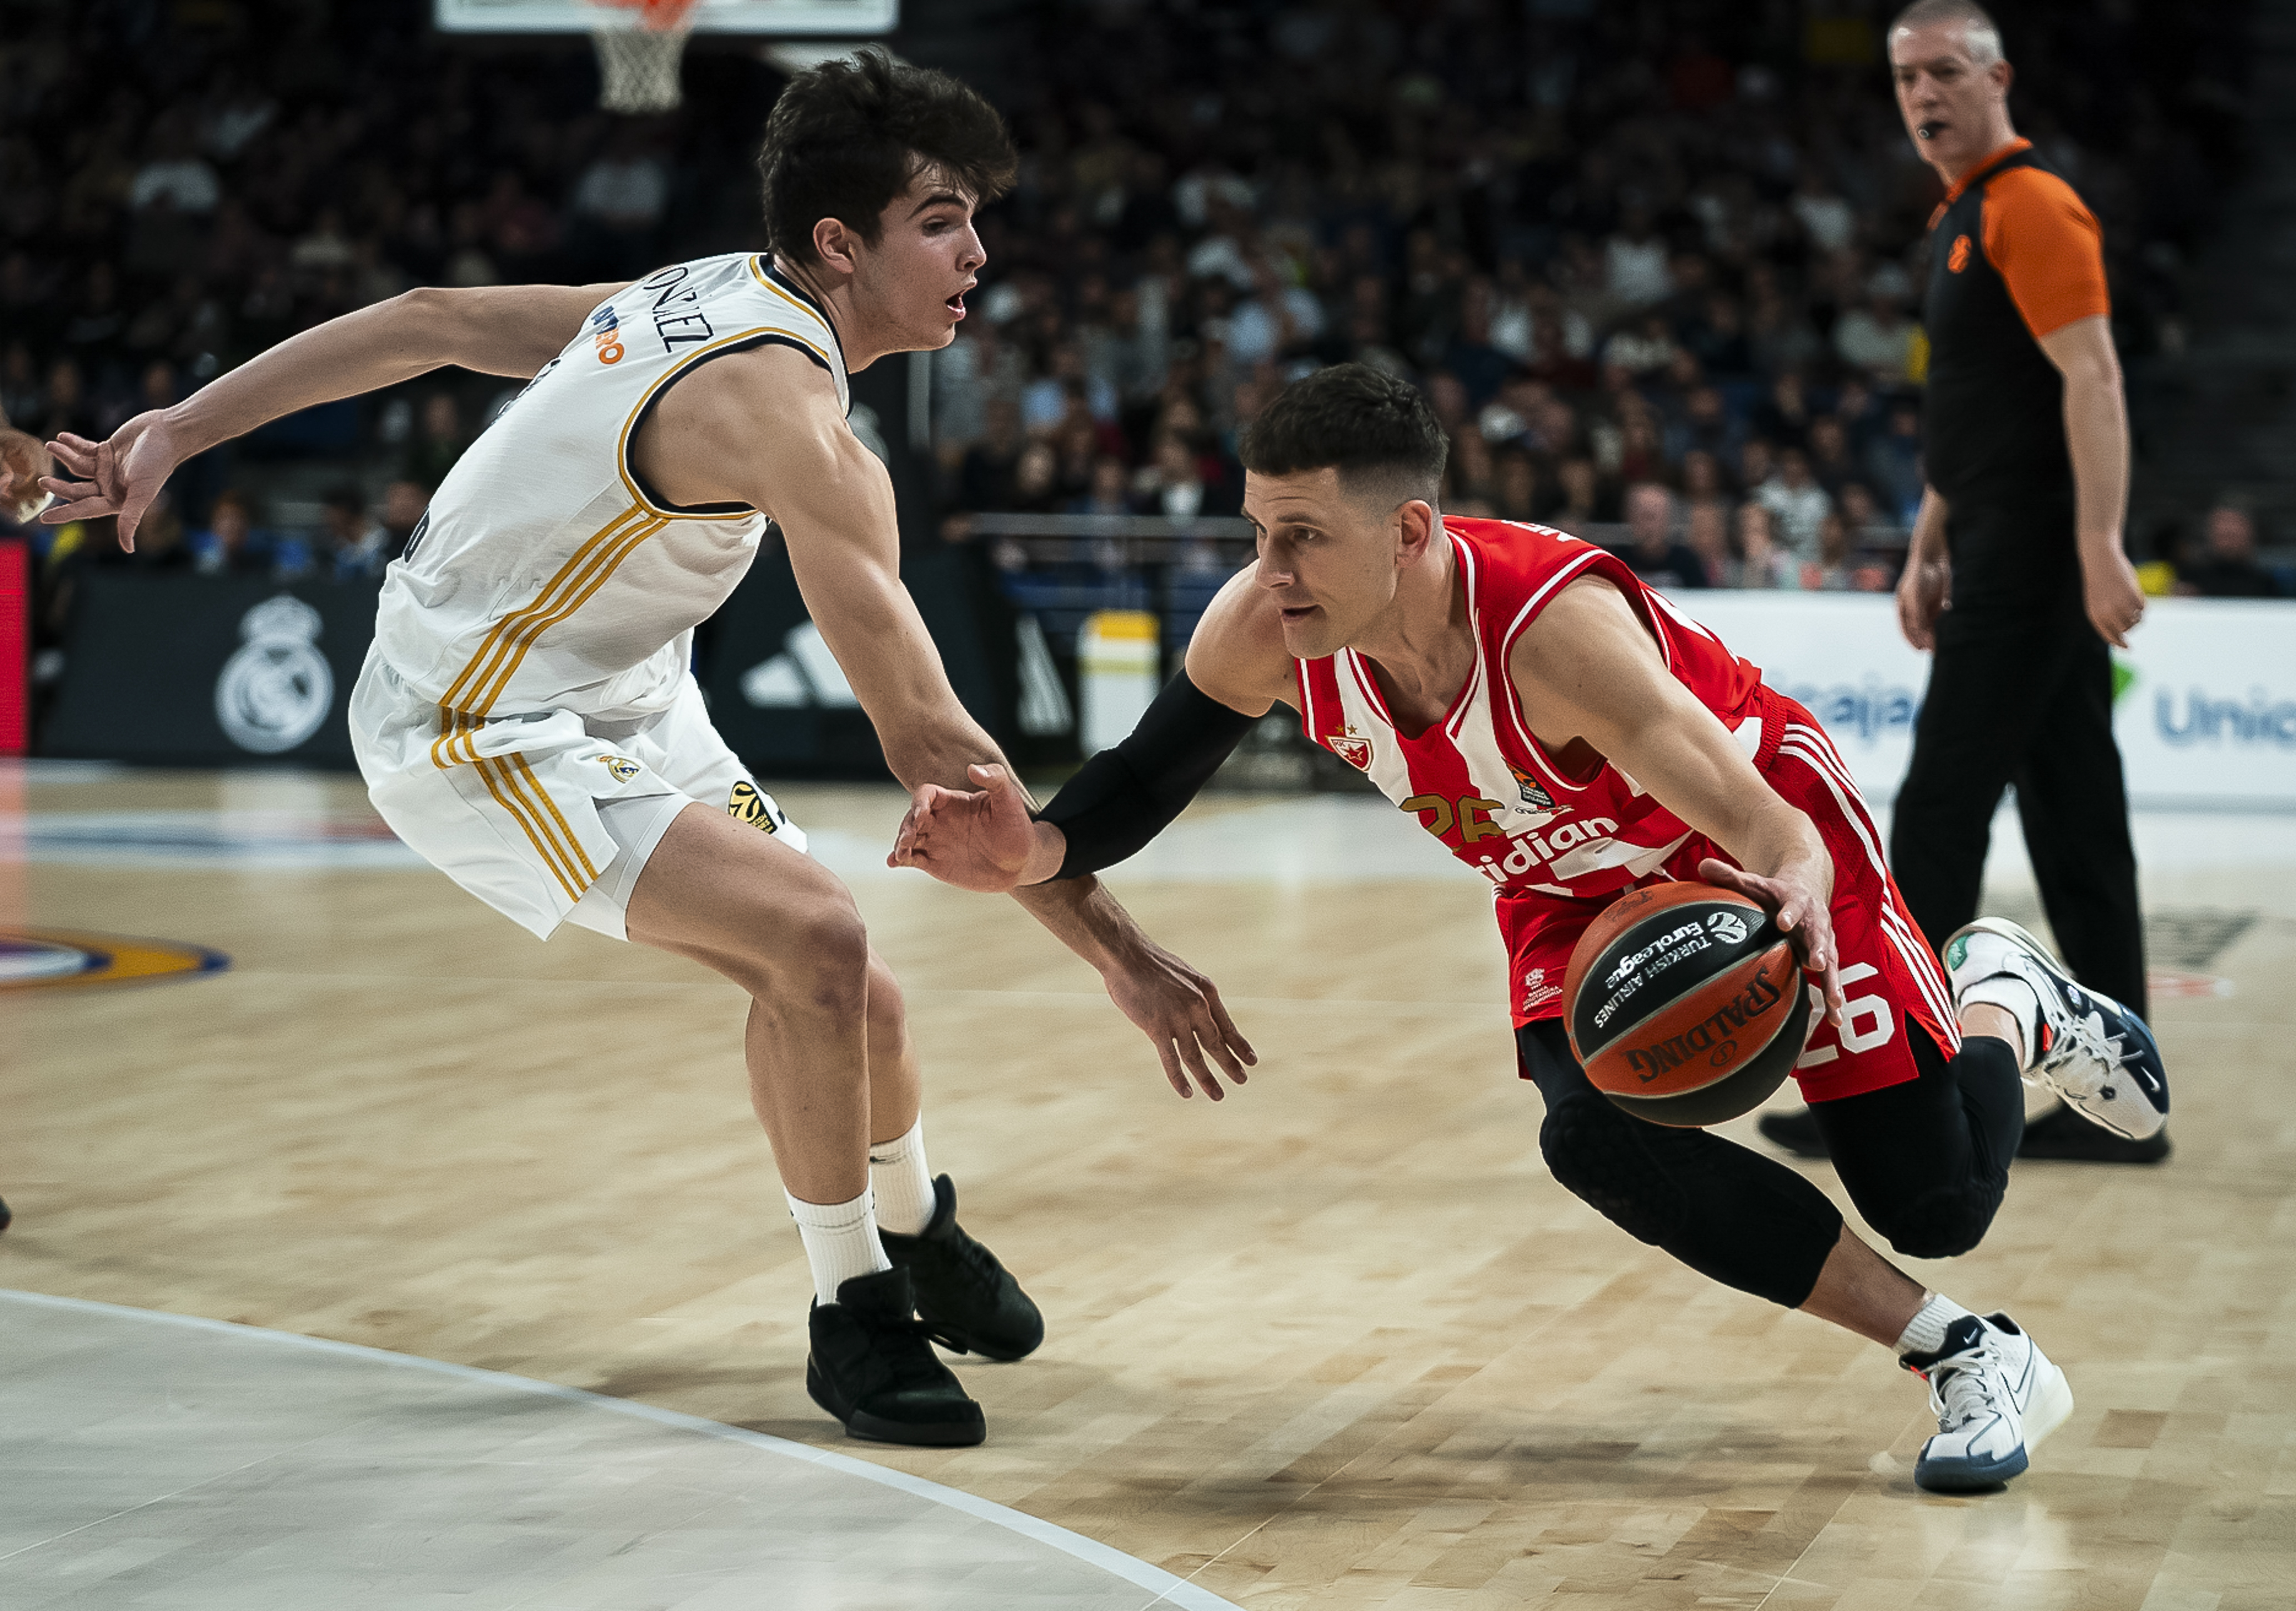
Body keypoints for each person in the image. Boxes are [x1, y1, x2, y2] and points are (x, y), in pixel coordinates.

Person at [41, 51, 1250, 1449]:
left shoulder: (713, 286)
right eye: (940, 219)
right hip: (471, 720)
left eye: (976, 215)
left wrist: (187, 422)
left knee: (869, 1007)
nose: (978, 250)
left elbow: (432, 321)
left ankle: (917, 1225)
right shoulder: (792, 422)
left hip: (623, 688)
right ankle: (848, 1311)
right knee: (813, 936)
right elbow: (931, 738)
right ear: (838, 245)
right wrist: (1124, 956)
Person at [890, 365, 2170, 1493]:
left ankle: (2006, 997)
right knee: (1592, 1134)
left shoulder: (1550, 631)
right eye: (1256, 530)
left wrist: (1798, 885)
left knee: (1936, 1197)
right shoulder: (1264, 629)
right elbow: (1140, 779)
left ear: (1406, 529)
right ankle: (1959, 1350)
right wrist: (1037, 851)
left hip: (1730, 831)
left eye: (1299, 538)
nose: (1268, 571)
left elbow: (1758, 813)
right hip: (1560, 889)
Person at [1768, 0, 2162, 1166]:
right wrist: (1931, 533)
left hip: (2037, 550)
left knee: (1935, 817)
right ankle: (2128, 1104)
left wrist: (2101, 541)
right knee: (2077, 819)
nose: (1925, 96)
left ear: (1997, 75)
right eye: (1906, 79)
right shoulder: (1962, 216)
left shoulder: (2034, 205)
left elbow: (2092, 379)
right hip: (1994, 536)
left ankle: (1890, 1095)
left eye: (1946, 71)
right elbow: (1981, 408)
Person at [2178, 503, 2282, 598]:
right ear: (2210, 537)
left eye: (2234, 535)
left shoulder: (2265, 584)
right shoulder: (2190, 580)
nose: (2229, 543)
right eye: (2224, 536)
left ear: (2250, 537)